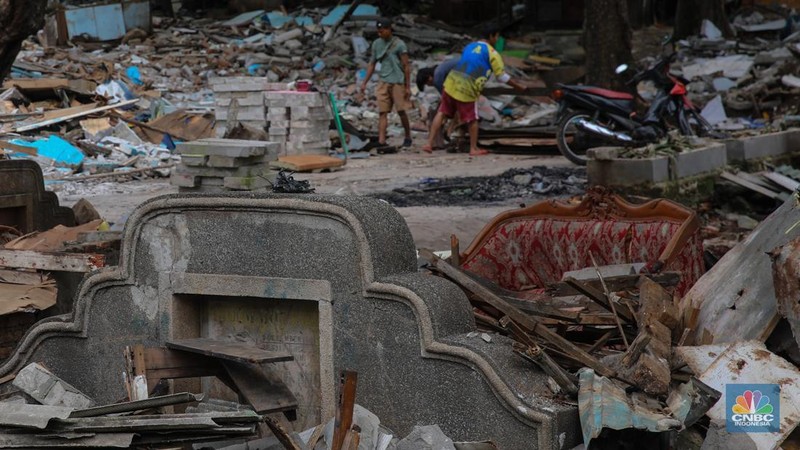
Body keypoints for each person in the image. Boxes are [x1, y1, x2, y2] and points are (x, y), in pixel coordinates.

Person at [424, 29, 525, 156]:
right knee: (472, 118)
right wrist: (519, 87)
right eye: (497, 36)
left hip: (452, 80)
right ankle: (473, 148)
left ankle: (429, 143)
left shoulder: (469, 46)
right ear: (491, 36)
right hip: (468, 84)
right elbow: (501, 77)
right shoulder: (493, 53)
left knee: (441, 112)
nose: (498, 39)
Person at [360, 18, 412, 149]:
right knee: (382, 112)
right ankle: (381, 140)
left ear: (389, 29)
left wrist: (407, 86)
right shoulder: (377, 44)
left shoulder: (400, 44)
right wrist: (364, 82)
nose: (380, 34)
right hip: (383, 80)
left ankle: (408, 136)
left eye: (382, 31)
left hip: (398, 82)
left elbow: (406, 66)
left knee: (401, 111)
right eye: (378, 31)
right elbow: (372, 63)